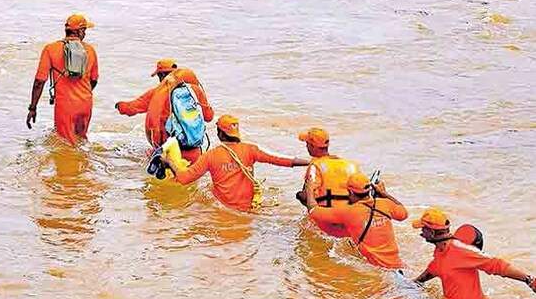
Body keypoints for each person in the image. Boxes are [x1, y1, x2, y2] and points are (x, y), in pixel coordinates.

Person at [162, 115, 308, 211]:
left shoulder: (210, 156)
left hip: (224, 208)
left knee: (205, 192)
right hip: (249, 207)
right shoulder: (251, 150)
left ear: (220, 134)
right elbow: (281, 160)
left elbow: (184, 178)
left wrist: (169, 162)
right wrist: (310, 162)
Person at [411, 208, 533, 299]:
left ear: (432, 233)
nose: (421, 232)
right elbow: (435, 268)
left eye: (423, 228)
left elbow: (497, 265)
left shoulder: (461, 250)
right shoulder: (440, 251)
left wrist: (528, 279)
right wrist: (414, 283)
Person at [303, 172, 408, 271]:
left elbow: (313, 211)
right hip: (398, 266)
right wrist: (384, 193)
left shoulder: (349, 211)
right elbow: (403, 213)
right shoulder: (386, 204)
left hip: (378, 269)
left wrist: (309, 190)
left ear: (351, 192)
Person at [115, 59, 214, 163]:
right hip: (194, 150)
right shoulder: (195, 91)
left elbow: (132, 108)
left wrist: (120, 106)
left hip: (170, 151)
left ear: (162, 75)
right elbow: (209, 116)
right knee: (192, 177)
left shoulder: (156, 94)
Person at [26, 14, 100, 143]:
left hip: (65, 106)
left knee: (66, 145)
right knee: (81, 141)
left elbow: (39, 81)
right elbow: (94, 80)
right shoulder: (90, 50)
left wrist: (33, 108)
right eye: (85, 30)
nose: (85, 34)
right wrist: (81, 94)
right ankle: (85, 162)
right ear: (79, 31)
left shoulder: (50, 49)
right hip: (85, 104)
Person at [294, 127, 361, 213]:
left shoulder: (315, 166)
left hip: (326, 216)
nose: (306, 146)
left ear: (313, 146)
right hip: (351, 214)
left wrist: (299, 196)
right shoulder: (350, 165)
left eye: (307, 143)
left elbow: (307, 197)